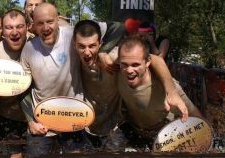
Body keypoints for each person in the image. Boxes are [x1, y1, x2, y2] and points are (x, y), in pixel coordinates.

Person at [73, 20, 188, 151]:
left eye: (92, 46)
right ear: (74, 45)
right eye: (82, 46)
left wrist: (171, 92)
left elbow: (153, 59)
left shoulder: (113, 57)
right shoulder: (73, 56)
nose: (87, 52)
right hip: (85, 125)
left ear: (100, 44)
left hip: (116, 126)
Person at [20, 3, 107, 156]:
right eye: (40, 23)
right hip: (42, 123)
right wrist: (30, 121)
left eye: (50, 21)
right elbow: (23, 88)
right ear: (33, 24)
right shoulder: (28, 49)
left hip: (74, 118)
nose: (46, 28)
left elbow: (118, 27)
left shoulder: (74, 35)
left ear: (58, 19)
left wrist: (104, 52)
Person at [117, 34, 201, 149]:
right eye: (124, 65)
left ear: (147, 62)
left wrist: (207, 141)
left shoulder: (168, 87)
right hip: (133, 132)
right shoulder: (117, 72)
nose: (129, 70)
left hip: (164, 136)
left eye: (136, 65)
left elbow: (197, 117)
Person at [0, 9, 29, 158]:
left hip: (37, 116)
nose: (15, 32)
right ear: (3, 31)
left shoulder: (36, 44)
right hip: (8, 117)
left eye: (19, 26)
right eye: (9, 27)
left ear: (27, 27)